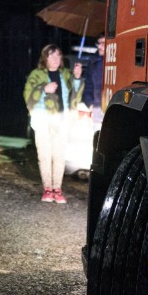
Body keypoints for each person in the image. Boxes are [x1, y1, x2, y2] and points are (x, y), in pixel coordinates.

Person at [23, 44, 83, 204]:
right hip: (43, 120)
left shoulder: (65, 74)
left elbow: (74, 95)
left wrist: (76, 77)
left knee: (59, 156)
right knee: (44, 156)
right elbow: (27, 93)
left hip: (61, 120)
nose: (56, 59)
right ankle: (47, 189)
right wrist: (44, 89)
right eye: (51, 56)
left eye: (58, 56)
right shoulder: (37, 74)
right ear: (45, 58)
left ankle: (57, 189)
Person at [76, 35, 107, 123]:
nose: (99, 46)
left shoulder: (119, 60)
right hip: (97, 114)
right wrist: (91, 105)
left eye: (103, 43)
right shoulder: (93, 62)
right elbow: (88, 87)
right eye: (98, 43)